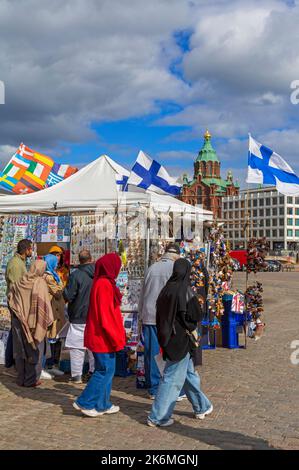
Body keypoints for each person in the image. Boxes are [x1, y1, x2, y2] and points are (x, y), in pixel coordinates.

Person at [147, 258, 213, 427]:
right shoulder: (184, 290)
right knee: (172, 379)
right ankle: (158, 416)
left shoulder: (166, 289)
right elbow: (195, 315)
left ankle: (201, 406)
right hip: (179, 341)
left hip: (168, 337)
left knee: (187, 375)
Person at [73, 253, 126, 417]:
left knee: (107, 370)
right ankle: (85, 401)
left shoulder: (104, 283)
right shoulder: (104, 285)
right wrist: (116, 337)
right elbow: (106, 315)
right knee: (104, 370)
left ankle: (103, 404)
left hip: (102, 335)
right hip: (102, 336)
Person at [138, 243, 183, 399]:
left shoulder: (152, 268)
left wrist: (140, 315)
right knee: (171, 353)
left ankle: (154, 387)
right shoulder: (175, 269)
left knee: (152, 352)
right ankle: (168, 387)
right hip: (167, 317)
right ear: (176, 255)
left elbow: (142, 294)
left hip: (149, 315)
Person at [7, 260, 53, 387]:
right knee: (35, 350)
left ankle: (21, 378)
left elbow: (11, 298)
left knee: (20, 350)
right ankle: (31, 380)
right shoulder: (40, 283)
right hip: (34, 322)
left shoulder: (20, 282)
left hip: (18, 321)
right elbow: (45, 305)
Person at [64, 249, 95, 383]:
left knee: (77, 347)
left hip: (78, 314)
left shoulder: (75, 276)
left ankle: (77, 375)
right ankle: (93, 372)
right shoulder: (98, 274)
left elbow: (69, 296)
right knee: (93, 347)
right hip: (94, 315)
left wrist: (63, 291)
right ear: (91, 259)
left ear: (79, 260)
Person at [4, 239, 33, 377]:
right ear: (26, 249)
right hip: (17, 303)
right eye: (31, 249)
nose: (31, 251)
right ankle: (13, 364)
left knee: (15, 332)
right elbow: (16, 288)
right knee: (17, 334)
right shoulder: (16, 264)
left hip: (18, 302)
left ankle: (12, 362)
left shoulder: (20, 262)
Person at [42, 253, 66, 378]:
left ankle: (53, 364)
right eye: (55, 262)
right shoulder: (48, 277)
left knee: (56, 337)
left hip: (57, 308)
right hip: (53, 309)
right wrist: (62, 285)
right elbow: (58, 292)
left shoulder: (53, 275)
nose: (57, 264)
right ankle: (47, 365)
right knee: (51, 337)